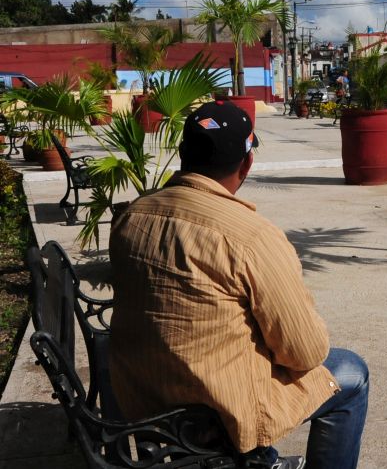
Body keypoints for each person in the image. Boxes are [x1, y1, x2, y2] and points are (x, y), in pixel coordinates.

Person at [108, 101, 369, 469]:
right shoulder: (250, 237)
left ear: (183, 154)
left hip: (143, 396)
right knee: (352, 373)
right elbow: (304, 353)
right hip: (218, 414)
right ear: (246, 165)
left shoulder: (132, 215)